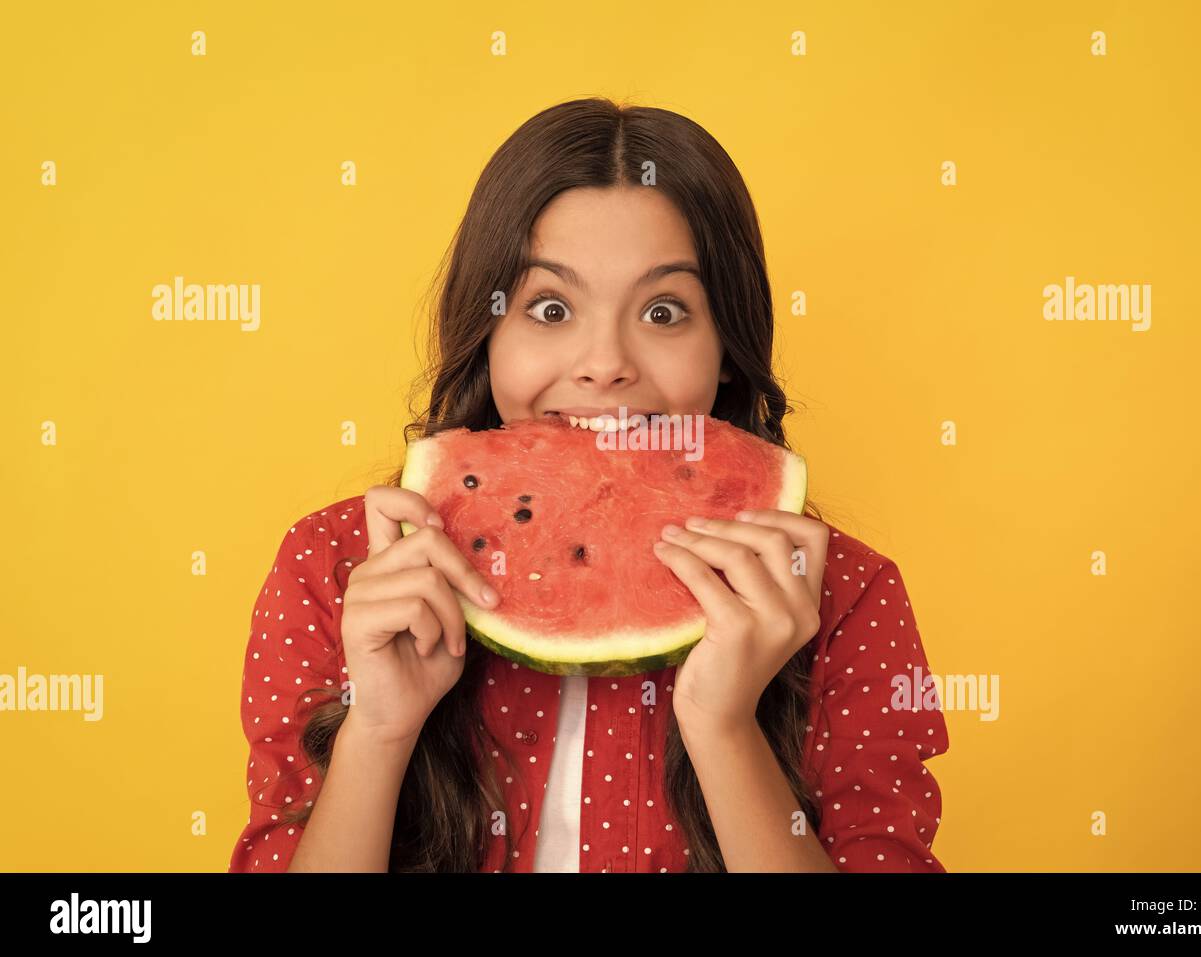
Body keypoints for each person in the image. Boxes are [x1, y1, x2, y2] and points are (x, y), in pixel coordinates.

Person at [228, 97, 948, 873]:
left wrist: (723, 727)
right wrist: (377, 731)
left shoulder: (839, 594)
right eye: (551, 307)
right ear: (487, 328)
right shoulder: (339, 570)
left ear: (728, 345)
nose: (605, 362)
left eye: (664, 310)